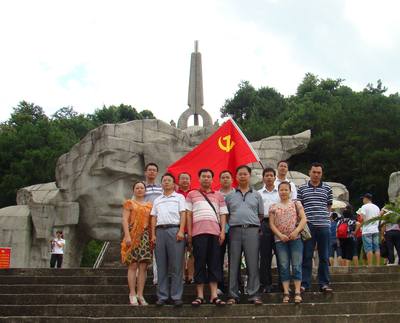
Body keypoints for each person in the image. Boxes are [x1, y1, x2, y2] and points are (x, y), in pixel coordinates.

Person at [186, 168, 228, 306]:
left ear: (212, 179)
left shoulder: (218, 195)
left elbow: (223, 214)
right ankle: (200, 296)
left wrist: (222, 231)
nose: (206, 178)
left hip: (215, 233)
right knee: (199, 263)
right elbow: (189, 215)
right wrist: (190, 233)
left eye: (208, 176)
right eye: (203, 176)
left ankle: (214, 295)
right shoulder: (191, 194)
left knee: (214, 263)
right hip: (198, 233)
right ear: (199, 178)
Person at [225, 165, 264, 305]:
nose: (242, 176)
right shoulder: (229, 196)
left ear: (249, 176)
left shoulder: (257, 194)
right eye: (240, 174)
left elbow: (260, 214)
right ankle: (233, 295)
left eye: (245, 174)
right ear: (236, 177)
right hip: (234, 231)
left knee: (252, 263)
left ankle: (253, 294)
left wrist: (250, 223)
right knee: (233, 263)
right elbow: (227, 215)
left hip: (252, 231)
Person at [151, 173, 186, 307]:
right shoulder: (157, 199)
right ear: (162, 183)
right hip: (160, 231)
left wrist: (182, 230)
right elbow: (153, 217)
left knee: (177, 265)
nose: (166, 182)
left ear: (173, 183)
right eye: (164, 180)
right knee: (161, 265)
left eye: (169, 180)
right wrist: (153, 234)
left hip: (175, 230)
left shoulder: (179, 197)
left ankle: (176, 296)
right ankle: (162, 296)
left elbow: (183, 214)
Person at [297, 162, 333, 293]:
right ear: (309, 172)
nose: (316, 175)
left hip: (324, 226)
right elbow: (299, 207)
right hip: (308, 226)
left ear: (321, 174)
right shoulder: (301, 188)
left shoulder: (328, 189)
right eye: (314, 172)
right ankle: (304, 283)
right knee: (306, 255)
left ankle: (324, 283)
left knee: (324, 256)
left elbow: (328, 206)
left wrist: (324, 218)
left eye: (319, 172)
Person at [269, 181, 307, 303]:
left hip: (295, 239)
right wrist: (280, 235)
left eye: (286, 189)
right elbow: (271, 224)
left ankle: (297, 291)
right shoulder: (273, 206)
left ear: (290, 191)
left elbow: (304, 219)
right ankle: (286, 292)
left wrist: (296, 231)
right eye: (281, 189)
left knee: (296, 265)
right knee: (284, 266)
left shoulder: (296, 204)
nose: (283, 192)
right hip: (280, 240)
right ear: (278, 191)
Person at [121, 181, 152, 306]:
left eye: (142, 188)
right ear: (134, 190)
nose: (139, 190)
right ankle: (132, 293)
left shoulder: (149, 205)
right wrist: (127, 235)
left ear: (145, 190)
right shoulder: (129, 203)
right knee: (133, 265)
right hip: (132, 234)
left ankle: (140, 294)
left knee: (143, 266)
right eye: (137, 188)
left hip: (145, 235)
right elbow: (124, 219)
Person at [258, 167, 280, 293]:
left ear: (275, 177)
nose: (269, 177)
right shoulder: (258, 193)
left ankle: (282, 284)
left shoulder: (280, 192)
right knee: (265, 256)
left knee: (281, 255)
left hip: (278, 224)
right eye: (267, 175)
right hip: (264, 223)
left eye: (271, 175)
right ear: (263, 178)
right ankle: (266, 284)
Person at [143, 162, 163, 285]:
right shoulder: (140, 186)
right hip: (144, 222)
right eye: (149, 170)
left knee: (157, 250)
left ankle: (157, 278)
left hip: (158, 221)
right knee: (144, 251)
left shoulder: (161, 187)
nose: (151, 172)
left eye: (154, 170)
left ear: (156, 173)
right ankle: (141, 277)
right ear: (145, 172)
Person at [218, 170, 235, 295]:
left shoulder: (237, 193)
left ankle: (234, 284)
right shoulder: (215, 194)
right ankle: (219, 285)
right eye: (223, 177)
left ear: (232, 179)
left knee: (234, 257)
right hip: (219, 230)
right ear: (219, 180)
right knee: (218, 257)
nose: (225, 179)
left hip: (234, 229)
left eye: (227, 177)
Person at [176, 172, 195, 284]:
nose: (185, 180)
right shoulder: (175, 194)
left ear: (190, 180)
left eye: (187, 178)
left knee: (192, 253)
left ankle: (191, 275)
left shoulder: (194, 193)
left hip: (193, 227)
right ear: (178, 181)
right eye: (182, 178)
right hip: (179, 229)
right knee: (180, 254)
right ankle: (182, 275)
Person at [359, 193, 381, 266]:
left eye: (363, 199)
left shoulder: (364, 207)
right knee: (377, 248)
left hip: (367, 230)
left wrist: (360, 215)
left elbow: (361, 218)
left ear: (366, 198)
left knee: (369, 248)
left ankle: (370, 265)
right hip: (375, 230)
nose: (363, 200)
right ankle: (378, 265)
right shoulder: (377, 207)